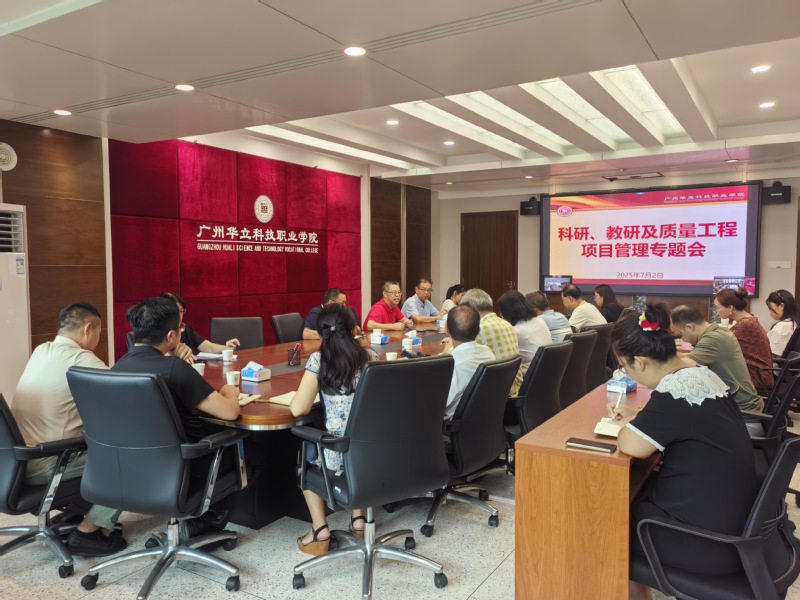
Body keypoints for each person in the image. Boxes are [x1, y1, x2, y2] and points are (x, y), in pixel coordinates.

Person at [607, 305, 758, 599]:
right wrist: (639, 417)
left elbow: (631, 445)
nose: (626, 372)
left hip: (707, 542)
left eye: (624, 366)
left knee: (610, 524)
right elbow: (680, 421)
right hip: (734, 521)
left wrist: (626, 424)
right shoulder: (698, 374)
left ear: (640, 363)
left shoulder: (673, 392)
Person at [112, 297, 241, 539]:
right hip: (186, 465)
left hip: (128, 467)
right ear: (172, 335)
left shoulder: (117, 367)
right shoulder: (174, 368)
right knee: (249, 445)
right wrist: (230, 392)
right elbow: (230, 412)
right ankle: (204, 523)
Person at [10, 302, 125, 557]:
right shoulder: (80, 358)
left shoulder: (41, 350)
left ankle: (75, 512)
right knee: (129, 458)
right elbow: (127, 394)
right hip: (47, 463)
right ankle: (89, 533)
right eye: (99, 332)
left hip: (14, 463)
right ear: (88, 329)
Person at [289, 304, 379, 554]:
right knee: (357, 433)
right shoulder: (370, 357)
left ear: (320, 334)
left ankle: (320, 530)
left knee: (306, 451)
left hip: (338, 454)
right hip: (373, 452)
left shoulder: (319, 360)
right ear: (353, 330)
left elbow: (298, 409)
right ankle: (359, 519)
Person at [671, 304, 764, 433]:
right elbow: (687, 357)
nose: (682, 339)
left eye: (680, 335)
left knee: (677, 424)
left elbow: (678, 366)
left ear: (689, 327)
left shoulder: (713, 340)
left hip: (742, 420)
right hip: (742, 412)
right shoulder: (718, 332)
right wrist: (663, 353)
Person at [459, 288, 523, 396]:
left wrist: (453, 338)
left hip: (496, 394)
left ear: (470, 310)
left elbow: (454, 356)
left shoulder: (478, 329)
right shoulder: (507, 324)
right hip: (513, 389)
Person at [439, 304, 496, 419]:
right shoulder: (488, 352)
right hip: (484, 417)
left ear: (447, 329)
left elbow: (439, 403)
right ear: (478, 331)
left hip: (456, 422)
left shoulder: (453, 365)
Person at [714, 288, 773, 390]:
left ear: (730, 308)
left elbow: (718, 344)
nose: (716, 311)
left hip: (757, 377)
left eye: (718, 307)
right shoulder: (749, 320)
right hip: (760, 374)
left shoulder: (745, 325)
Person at [160, 292, 240, 362]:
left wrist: (226, 348)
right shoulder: (158, 335)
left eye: (181, 311)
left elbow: (209, 347)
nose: (179, 316)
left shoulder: (186, 330)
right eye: (175, 312)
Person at [497, 290, 552, 378]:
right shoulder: (540, 321)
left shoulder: (516, 331)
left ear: (507, 313)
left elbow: (505, 358)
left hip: (529, 377)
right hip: (548, 373)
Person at [765, 289, 800, 357]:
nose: (770, 312)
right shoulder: (795, 323)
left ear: (782, 306)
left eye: (770, 307)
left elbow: (769, 354)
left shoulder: (782, 327)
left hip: (773, 362)